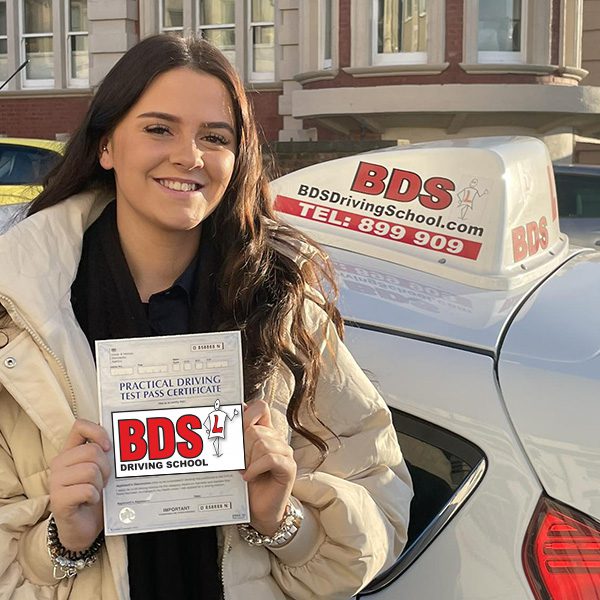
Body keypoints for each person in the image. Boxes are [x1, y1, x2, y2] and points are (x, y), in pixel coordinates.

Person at [0, 34, 413, 599]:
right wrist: (61, 541)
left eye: (214, 137)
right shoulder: (16, 319)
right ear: (105, 146)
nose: (189, 156)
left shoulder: (282, 306)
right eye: (158, 128)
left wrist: (282, 520)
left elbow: (383, 507)